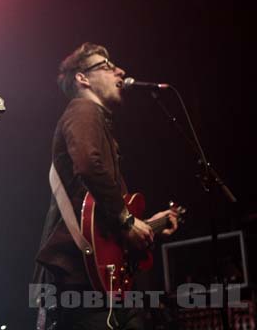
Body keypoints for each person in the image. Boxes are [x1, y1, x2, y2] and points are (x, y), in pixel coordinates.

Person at [33, 42, 178, 329]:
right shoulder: (83, 109)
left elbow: (100, 220)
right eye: (107, 66)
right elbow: (87, 162)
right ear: (82, 78)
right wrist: (127, 221)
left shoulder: (94, 119)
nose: (120, 70)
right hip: (85, 283)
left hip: (101, 284)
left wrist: (148, 224)